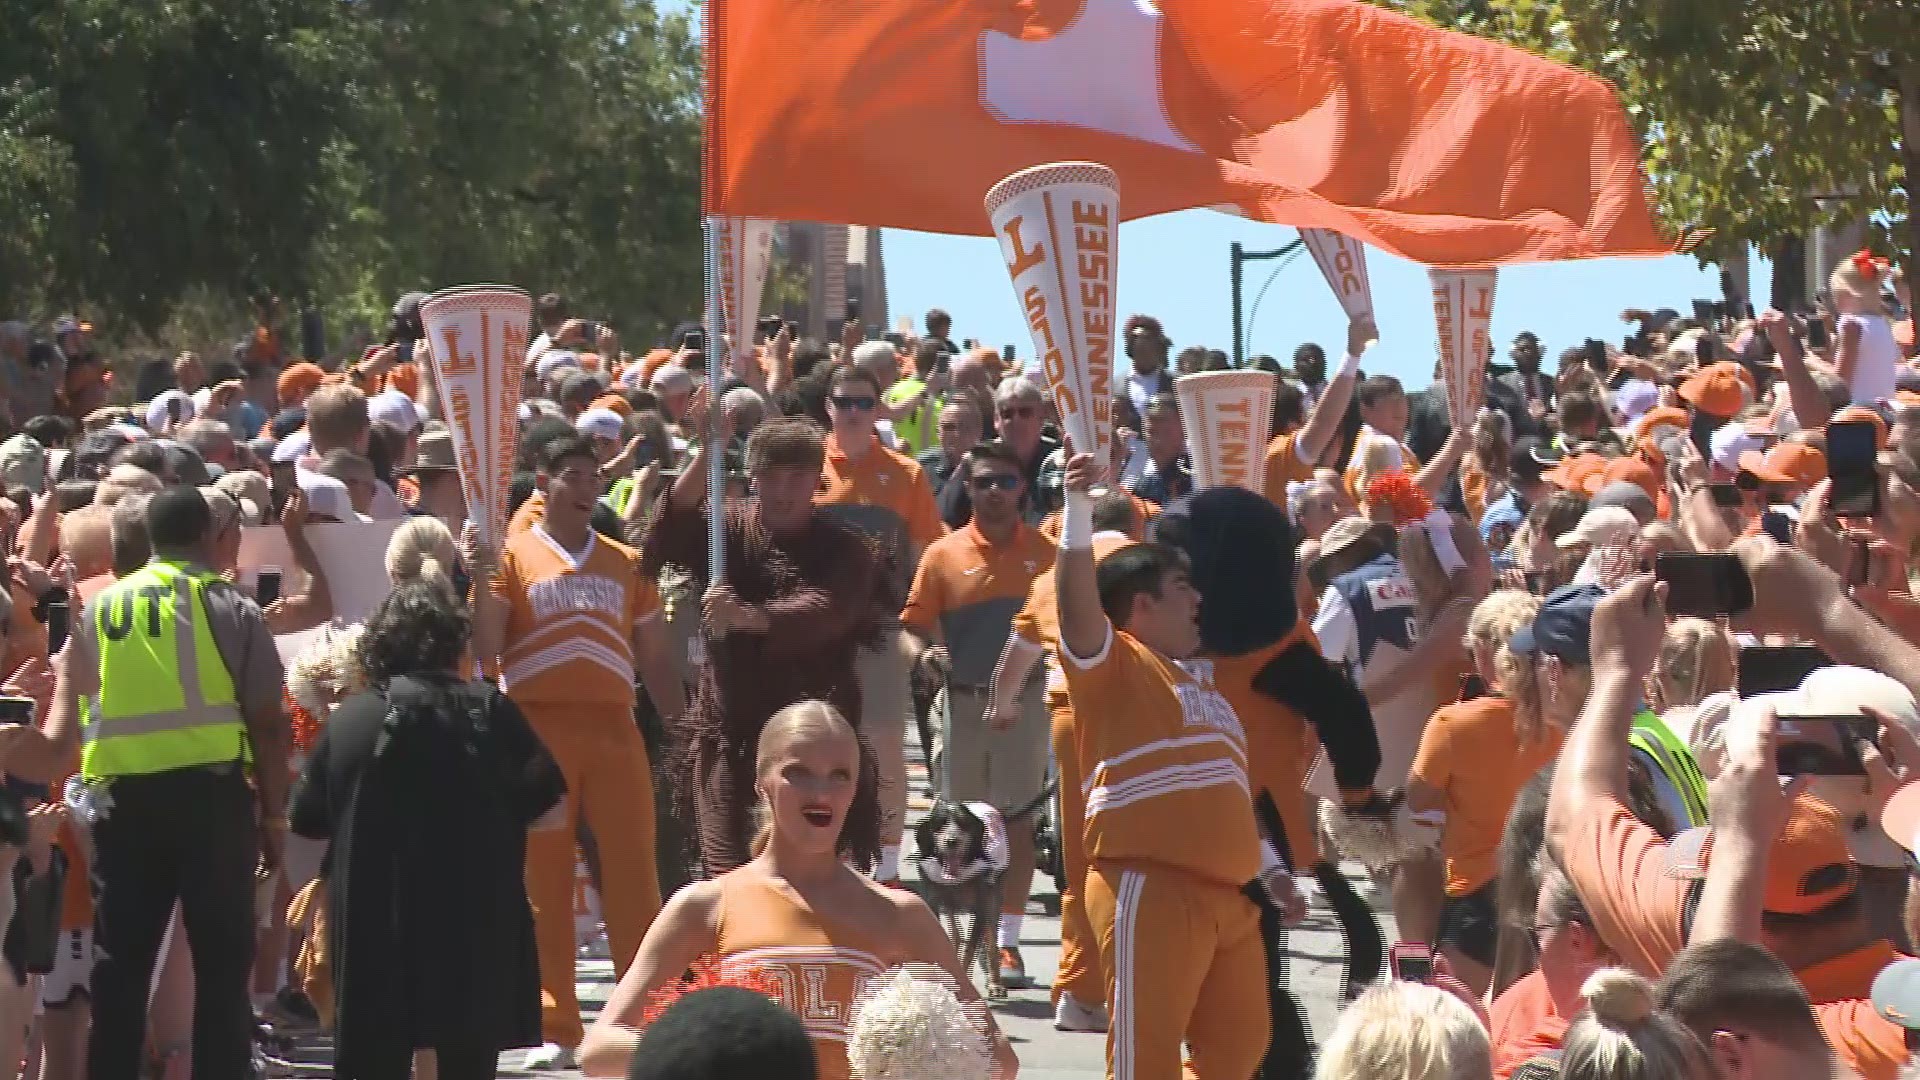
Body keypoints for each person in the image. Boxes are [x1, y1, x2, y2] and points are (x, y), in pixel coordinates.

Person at [575, 700, 1017, 1080]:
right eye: (798, 773)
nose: (820, 791)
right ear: (762, 784)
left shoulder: (901, 914)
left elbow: (998, 1060)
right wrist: (717, 1058)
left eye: (839, 775)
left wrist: (920, 1059)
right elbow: (598, 1049)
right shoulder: (706, 905)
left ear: (855, 789)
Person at [13, 486, 290, 1080]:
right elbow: (268, 722)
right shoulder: (228, 603)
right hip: (210, 801)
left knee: (122, 963)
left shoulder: (104, 607)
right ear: (208, 537)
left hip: (124, 806)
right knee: (221, 963)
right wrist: (274, 815)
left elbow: (75, 706)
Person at [1054, 450, 1286, 1080]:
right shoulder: (1114, 662)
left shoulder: (1207, 688)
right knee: (1144, 1066)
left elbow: (1227, 796)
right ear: (1139, 607)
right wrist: (1077, 511)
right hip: (1148, 887)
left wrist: (1269, 870)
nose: (1197, 601)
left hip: (1230, 898)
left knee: (1238, 1057)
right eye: (1182, 588)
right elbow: (1077, 608)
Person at [291, 580, 566, 1080]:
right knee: (468, 1059)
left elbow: (307, 820)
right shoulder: (491, 711)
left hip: (376, 929)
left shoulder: (353, 719)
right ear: (455, 644)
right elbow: (551, 810)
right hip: (473, 922)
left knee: (370, 1059)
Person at [471, 433, 687, 1070]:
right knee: (544, 878)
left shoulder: (625, 560)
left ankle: (647, 1017)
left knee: (633, 874)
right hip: (536, 733)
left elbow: (655, 661)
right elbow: (487, 648)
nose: (587, 485)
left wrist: (682, 730)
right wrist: (481, 576)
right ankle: (553, 1026)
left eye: (594, 475)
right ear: (544, 481)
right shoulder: (511, 555)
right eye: (572, 474)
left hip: (616, 731)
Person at [643, 416, 886, 876]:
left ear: (818, 481)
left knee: (811, 865)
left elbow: (831, 610)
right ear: (752, 476)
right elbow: (667, 532)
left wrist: (753, 617)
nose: (783, 487)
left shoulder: (846, 547)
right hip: (731, 730)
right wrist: (708, 452)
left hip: (814, 735)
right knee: (725, 867)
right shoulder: (725, 529)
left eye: (797, 475)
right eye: (772, 473)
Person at [902, 440, 1054, 988]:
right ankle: (958, 941)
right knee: (962, 822)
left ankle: (1006, 943)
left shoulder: (1048, 554)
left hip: (1026, 704)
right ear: (967, 488)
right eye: (984, 482)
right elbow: (913, 626)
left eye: (1006, 482)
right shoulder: (943, 555)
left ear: (1023, 489)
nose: (995, 492)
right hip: (962, 703)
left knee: (1016, 821)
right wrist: (925, 656)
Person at [814, 364, 947, 883]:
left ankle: (889, 867)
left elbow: (923, 558)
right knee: (822, 747)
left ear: (878, 410)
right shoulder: (807, 470)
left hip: (881, 631)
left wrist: (923, 630)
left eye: (863, 403)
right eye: (843, 401)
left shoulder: (907, 475)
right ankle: (829, 857)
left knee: (885, 745)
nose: (852, 411)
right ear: (828, 406)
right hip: (817, 631)